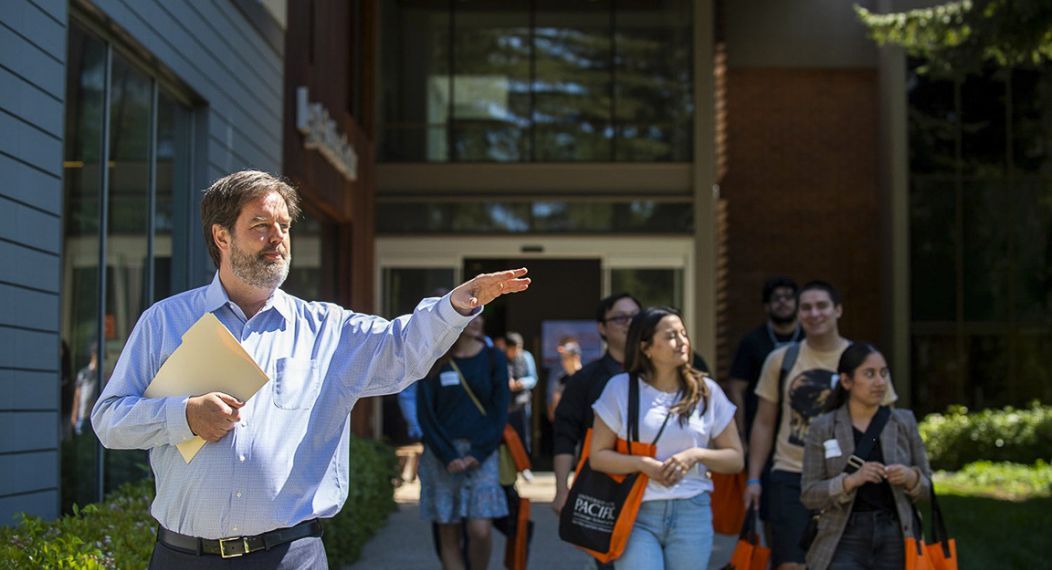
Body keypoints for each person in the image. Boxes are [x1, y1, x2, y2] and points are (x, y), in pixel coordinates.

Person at [90, 170, 530, 569]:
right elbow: (109, 422)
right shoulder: (164, 322)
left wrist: (455, 306)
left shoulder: (328, 329)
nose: (277, 238)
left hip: (290, 557)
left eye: (284, 227)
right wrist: (182, 416)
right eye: (261, 226)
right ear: (221, 237)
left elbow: (403, 350)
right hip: (184, 557)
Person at [744, 281, 897, 570]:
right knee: (790, 564)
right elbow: (763, 423)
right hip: (791, 477)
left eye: (822, 306)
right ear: (799, 314)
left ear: (838, 310)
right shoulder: (781, 359)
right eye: (806, 307)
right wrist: (753, 480)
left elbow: (885, 420)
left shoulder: (864, 359)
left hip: (850, 476)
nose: (814, 313)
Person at [588, 307, 743, 569]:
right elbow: (598, 457)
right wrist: (643, 464)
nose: (682, 342)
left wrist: (695, 455)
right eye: (672, 336)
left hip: (692, 511)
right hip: (636, 511)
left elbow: (735, 459)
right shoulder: (620, 389)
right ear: (646, 347)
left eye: (684, 333)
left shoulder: (707, 391)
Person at [801, 343, 931, 570]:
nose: (880, 382)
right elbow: (809, 495)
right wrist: (850, 481)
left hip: (896, 534)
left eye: (883, 373)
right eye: (869, 374)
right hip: (842, 535)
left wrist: (911, 477)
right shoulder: (823, 427)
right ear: (846, 381)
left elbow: (929, 489)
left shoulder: (904, 421)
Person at [417, 315, 510, 570]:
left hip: (482, 454)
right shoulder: (434, 361)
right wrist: (448, 455)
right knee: (449, 530)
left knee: (480, 529)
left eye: (480, 315)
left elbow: (499, 411)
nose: (476, 321)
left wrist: (479, 452)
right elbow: (426, 415)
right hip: (441, 456)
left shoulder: (494, 358)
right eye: (468, 316)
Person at [551, 292, 641, 519]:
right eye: (621, 318)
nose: (629, 323)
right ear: (602, 327)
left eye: (636, 317)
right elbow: (565, 434)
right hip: (604, 488)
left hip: (657, 484)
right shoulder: (585, 379)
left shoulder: (662, 374)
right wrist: (562, 489)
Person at [727, 276, 803, 441]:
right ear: (767, 306)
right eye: (776, 298)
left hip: (801, 426)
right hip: (760, 425)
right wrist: (740, 433)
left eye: (789, 297)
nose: (783, 302)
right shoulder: (752, 342)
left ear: (798, 304)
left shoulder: (809, 339)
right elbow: (736, 388)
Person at [504, 331, 538, 452]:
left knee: (523, 434)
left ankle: (525, 463)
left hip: (522, 402)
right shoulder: (501, 358)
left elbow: (533, 378)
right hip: (505, 404)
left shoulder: (526, 357)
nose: (516, 352)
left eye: (518, 348)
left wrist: (522, 383)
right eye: (513, 349)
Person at [546, 336, 582, 423]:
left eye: (566, 358)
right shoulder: (561, 380)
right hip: (565, 427)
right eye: (562, 358)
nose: (563, 362)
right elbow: (554, 410)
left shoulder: (587, 378)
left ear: (576, 358)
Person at [70, 344, 98, 436]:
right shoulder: (84, 373)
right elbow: (77, 396)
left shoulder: (101, 374)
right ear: (93, 355)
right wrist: (74, 414)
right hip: (83, 415)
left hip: (95, 416)